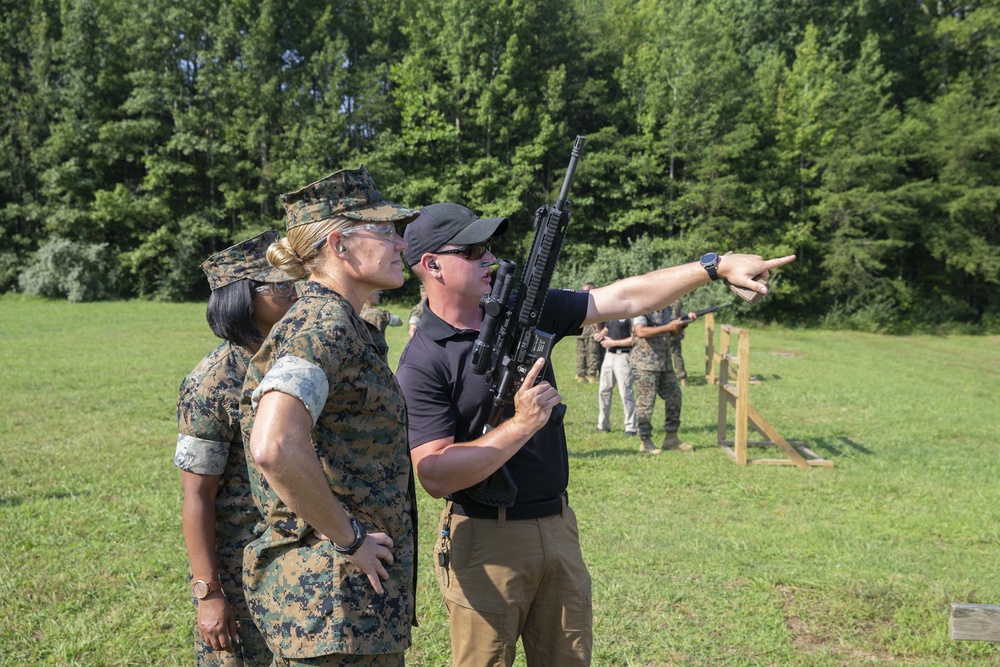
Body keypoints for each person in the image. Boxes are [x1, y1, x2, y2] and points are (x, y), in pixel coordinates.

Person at [395, 202, 794, 667]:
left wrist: (715, 265)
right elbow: (435, 474)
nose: (489, 259)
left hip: (557, 527)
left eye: (489, 247)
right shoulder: (422, 359)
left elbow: (624, 298)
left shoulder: (522, 308)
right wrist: (521, 424)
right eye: (473, 250)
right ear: (432, 265)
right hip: (485, 540)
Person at [239, 167, 418, 665]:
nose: (400, 244)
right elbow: (274, 445)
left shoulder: (343, 321)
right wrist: (350, 537)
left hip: (353, 607)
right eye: (384, 231)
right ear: (339, 245)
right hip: (332, 605)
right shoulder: (323, 323)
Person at [175, 230, 298, 666]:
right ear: (245, 299)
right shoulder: (211, 384)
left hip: (298, 561)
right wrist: (208, 595)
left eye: (292, 281)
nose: (294, 292)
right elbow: (197, 494)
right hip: (240, 573)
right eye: (279, 285)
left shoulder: (296, 360)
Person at [631, 306, 697, 454]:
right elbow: (640, 331)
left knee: (675, 397)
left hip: (664, 362)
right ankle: (645, 441)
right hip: (645, 364)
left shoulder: (666, 309)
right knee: (646, 404)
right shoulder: (642, 308)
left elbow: (672, 333)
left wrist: (683, 324)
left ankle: (671, 438)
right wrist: (667, 326)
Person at [594, 317, 636, 436]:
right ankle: (603, 425)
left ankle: (630, 428)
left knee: (625, 393)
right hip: (609, 356)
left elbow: (635, 339)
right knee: (604, 391)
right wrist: (601, 334)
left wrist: (613, 343)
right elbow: (607, 328)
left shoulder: (631, 317)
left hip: (623, 357)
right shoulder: (614, 313)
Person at [574, 282, 601, 382]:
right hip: (590, 331)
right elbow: (596, 317)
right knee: (592, 353)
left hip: (579, 329)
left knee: (581, 352)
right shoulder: (593, 299)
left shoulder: (578, 298)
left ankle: (580, 375)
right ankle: (592, 375)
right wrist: (598, 329)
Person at [667, 300, 689, 386]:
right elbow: (682, 316)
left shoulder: (663, 300)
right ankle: (682, 377)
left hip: (664, 330)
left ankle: (668, 378)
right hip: (676, 331)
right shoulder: (678, 302)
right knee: (677, 355)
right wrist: (682, 330)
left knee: (666, 355)